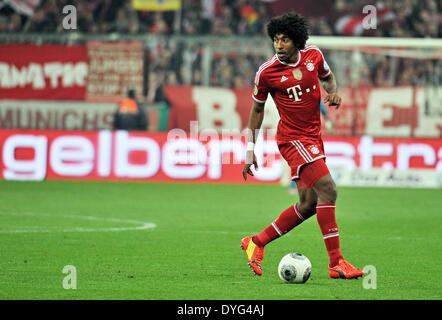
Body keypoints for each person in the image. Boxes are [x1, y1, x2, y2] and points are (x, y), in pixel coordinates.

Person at [241, 12, 364, 279]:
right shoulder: (266, 72)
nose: (279, 45)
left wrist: (333, 91)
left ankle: (256, 242)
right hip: (292, 139)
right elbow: (257, 111)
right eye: (275, 39)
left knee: (308, 204)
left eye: (285, 39)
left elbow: (328, 78)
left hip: (313, 138)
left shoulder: (314, 57)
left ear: (297, 41)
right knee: (329, 190)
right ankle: (336, 263)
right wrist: (250, 150)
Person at [287, 98, 333, 195]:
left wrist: (327, 121)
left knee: (309, 161)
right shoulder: (300, 97)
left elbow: (323, 112)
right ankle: (295, 185)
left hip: (311, 135)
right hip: (301, 135)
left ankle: (305, 185)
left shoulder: (314, 97)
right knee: (300, 161)